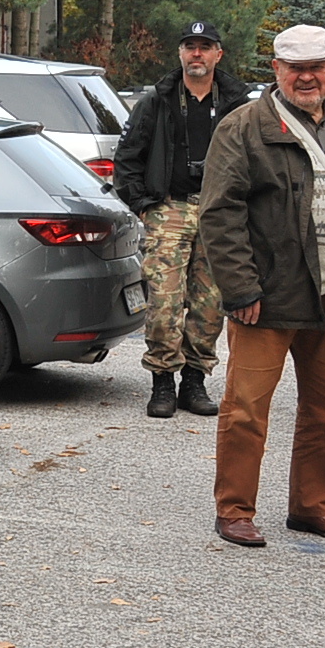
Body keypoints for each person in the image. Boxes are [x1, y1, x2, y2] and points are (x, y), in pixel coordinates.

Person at [199, 24, 325, 549]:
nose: (307, 78)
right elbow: (219, 214)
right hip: (268, 295)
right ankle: (235, 510)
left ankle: (314, 507)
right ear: (277, 70)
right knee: (246, 409)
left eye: (317, 68)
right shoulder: (244, 127)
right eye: (296, 68)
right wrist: (241, 289)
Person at [113, 21, 249, 419]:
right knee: (164, 302)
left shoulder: (236, 102)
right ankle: (162, 382)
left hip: (218, 211)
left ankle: (194, 381)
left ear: (218, 54)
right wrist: (144, 205)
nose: (197, 54)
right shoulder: (157, 100)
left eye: (205, 47)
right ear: (181, 53)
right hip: (170, 208)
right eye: (191, 46)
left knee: (210, 305)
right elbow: (128, 157)